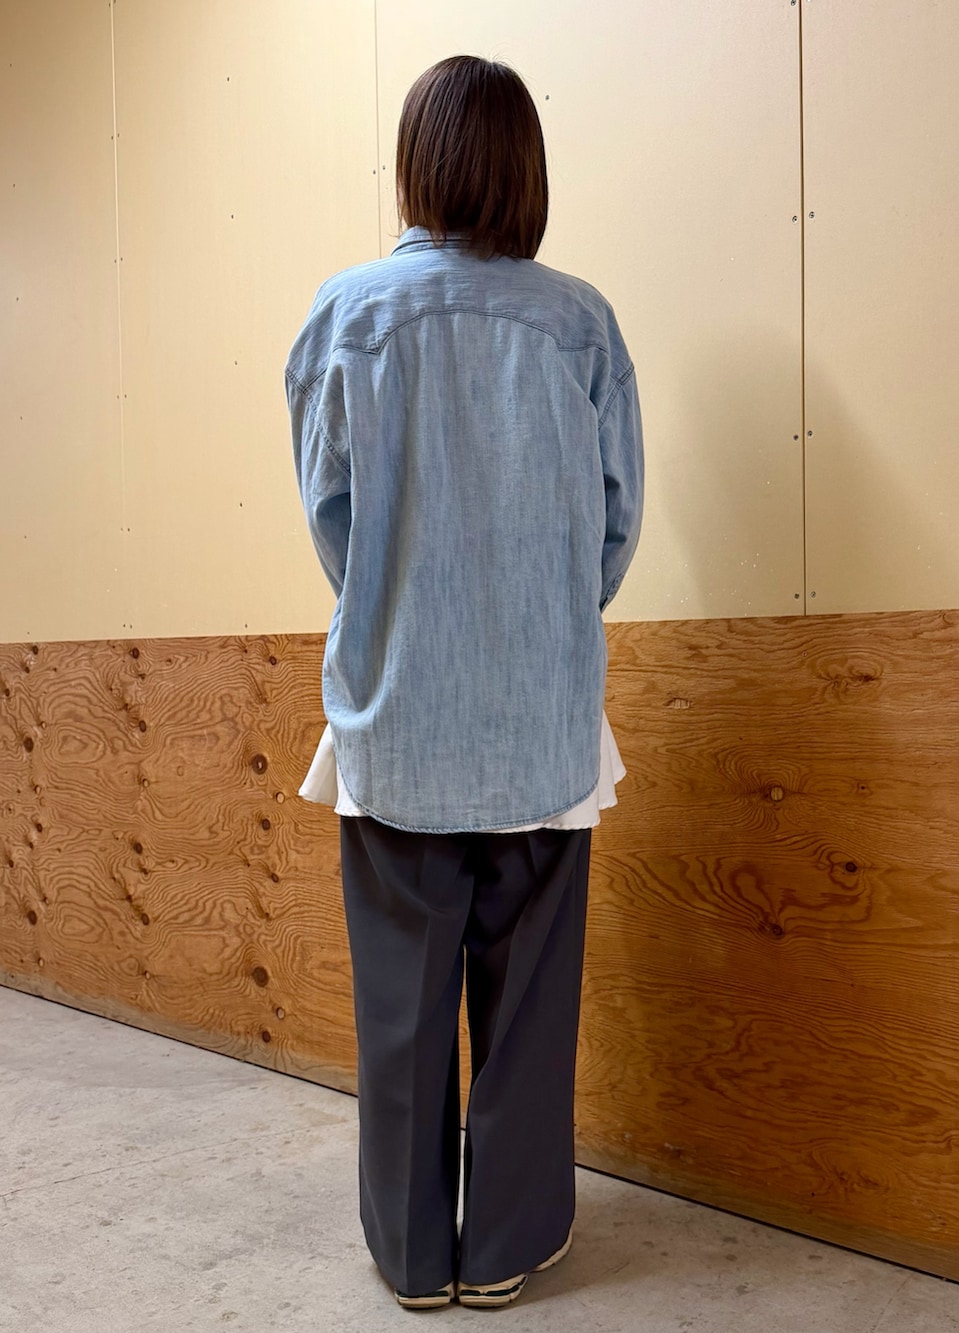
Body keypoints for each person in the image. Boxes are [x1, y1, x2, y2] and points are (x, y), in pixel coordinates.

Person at [285, 54, 643, 1310]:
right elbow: (613, 527)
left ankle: (411, 1255)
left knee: (400, 1003)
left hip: (398, 711)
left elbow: (331, 517)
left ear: (414, 166)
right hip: (541, 717)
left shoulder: (345, 315)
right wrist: (541, 621)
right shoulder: (581, 324)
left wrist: (395, 602)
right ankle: (505, 1248)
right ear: (528, 172)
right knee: (529, 1004)